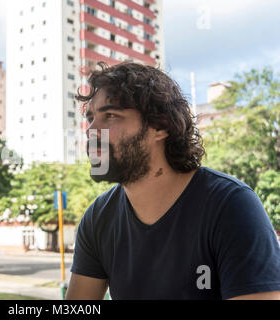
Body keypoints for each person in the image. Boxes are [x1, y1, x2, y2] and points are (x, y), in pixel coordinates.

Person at [66, 61, 280, 300]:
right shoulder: (98, 219)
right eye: (91, 117)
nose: (92, 129)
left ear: (160, 126)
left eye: (111, 115)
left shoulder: (231, 206)